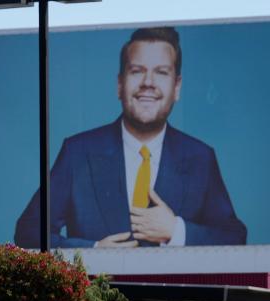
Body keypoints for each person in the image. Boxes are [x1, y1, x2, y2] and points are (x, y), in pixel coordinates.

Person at [14, 26, 247, 249]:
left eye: (161, 72)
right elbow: (28, 232)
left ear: (177, 87)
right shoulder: (78, 152)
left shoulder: (200, 158)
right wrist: (91, 251)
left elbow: (235, 237)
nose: (148, 83)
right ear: (119, 84)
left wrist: (176, 230)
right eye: (137, 71)